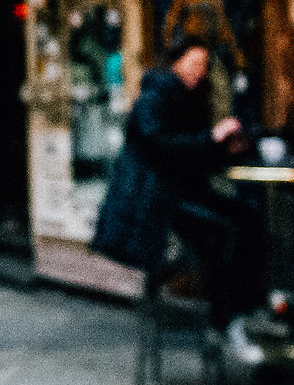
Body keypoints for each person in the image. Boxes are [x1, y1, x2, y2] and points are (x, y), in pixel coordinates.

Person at [91, 36, 261, 355]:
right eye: (194, 63)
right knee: (226, 232)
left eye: (205, 66)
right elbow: (163, 147)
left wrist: (226, 147)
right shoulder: (154, 96)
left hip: (182, 194)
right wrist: (211, 138)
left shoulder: (191, 98)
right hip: (155, 203)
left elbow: (194, 152)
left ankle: (233, 312)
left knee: (245, 217)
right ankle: (226, 321)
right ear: (175, 61)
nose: (200, 71)